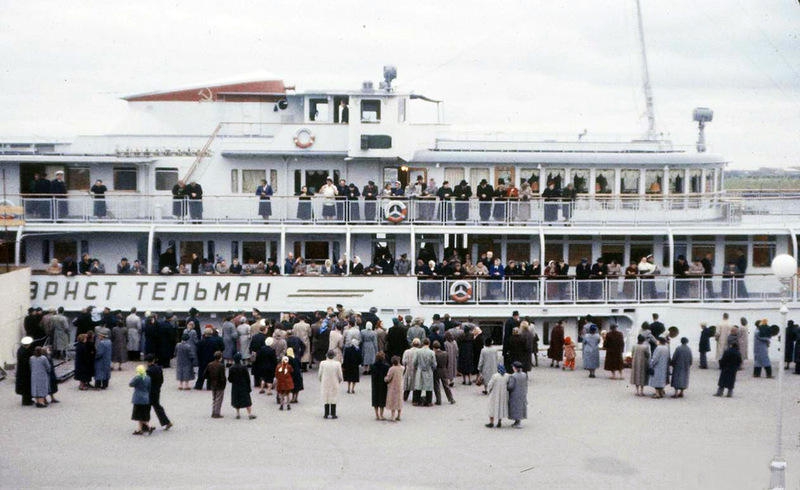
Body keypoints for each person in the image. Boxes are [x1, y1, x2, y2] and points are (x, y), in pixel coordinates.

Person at [145, 354, 172, 430]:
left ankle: (145, 424)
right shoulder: (159, 368)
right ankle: (166, 422)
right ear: (154, 360)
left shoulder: (148, 371)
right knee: (157, 406)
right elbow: (162, 380)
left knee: (146, 408)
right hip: (157, 390)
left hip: (149, 391)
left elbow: (147, 382)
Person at [228, 353, 256, 419]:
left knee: (236, 399)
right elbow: (247, 378)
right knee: (247, 400)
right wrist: (249, 387)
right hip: (244, 385)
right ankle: (249, 414)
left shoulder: (231, 368)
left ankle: (237, 414)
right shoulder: (244, 367)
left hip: (235, 386)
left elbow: (230, 379)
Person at [129, 365, 154, 435]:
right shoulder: (148, 378)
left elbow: (130, 384)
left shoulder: (138, 378)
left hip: (138, 399)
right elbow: (149, 387)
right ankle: (139, 429)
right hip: (146, 398)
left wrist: (135, 377)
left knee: (138, 415)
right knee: (142, 414)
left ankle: (149, 426)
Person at [318, 351, 343, 419]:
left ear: (327, 356)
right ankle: (333, 414)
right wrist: (339, 381)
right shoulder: (337, 364)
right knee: (334, 397)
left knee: (326, 397)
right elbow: (340, 375)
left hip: (325, 382)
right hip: (334, 382)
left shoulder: (322, 363)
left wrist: (321, 380)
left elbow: (320, 374)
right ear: (334, 356)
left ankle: (326, 414)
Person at [413, 338, 437, 406]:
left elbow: (414, 362)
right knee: (429, 387)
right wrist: (432, 369)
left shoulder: (418, 351)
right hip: (428, 370)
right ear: (429, 343)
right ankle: (429, 401)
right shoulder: (432, 352)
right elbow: (434, 364)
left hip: (420, 370)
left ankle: (416, 401)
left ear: (422, 343)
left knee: (418, 385)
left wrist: (416, 367)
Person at [432, 341, 455, 405]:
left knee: (436, 386)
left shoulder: (434, 354)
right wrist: (446, 368)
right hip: (444, 370)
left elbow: (434, 364)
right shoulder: (445, 353)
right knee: (446, 385)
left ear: (434, 348)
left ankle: (438, 400)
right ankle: (451, 399)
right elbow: (447, 362)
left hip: (436, 371)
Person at [205, 351, 226, 418]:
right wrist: (224, 384)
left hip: (212, 383)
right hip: (220, 384)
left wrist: (210, 378)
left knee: (214, 398)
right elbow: (223, 377)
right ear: (220, 357)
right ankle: (216, 413)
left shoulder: (210, 364)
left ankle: (213, 411)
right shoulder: (221, 365)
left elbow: (205, 374)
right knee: (219, 399)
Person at [507, 361, 528, 429]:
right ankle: (517, 421)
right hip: (522, 393)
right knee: (520, 407)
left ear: (515, 368)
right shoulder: (524, 374)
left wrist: (506, 386)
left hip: (514, 394)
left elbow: (510, 387)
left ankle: (517, 422)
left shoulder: (513, 376)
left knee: (515, 407)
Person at [385, 356, 404, 422]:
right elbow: (402, 366)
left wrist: (385, 379)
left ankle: (393, 416)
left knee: (393, 401)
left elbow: (388, 378)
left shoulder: (391, 369)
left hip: (393, 387)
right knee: (399, 400)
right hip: (400, 386)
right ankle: (399, 415)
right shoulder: (402, 368)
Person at [15, 336, 34, 406]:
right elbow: (26, 361)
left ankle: (28, 399)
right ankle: (26, 401)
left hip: (22, 371)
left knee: (26, 387)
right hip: (25, 372)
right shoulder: (24, 351)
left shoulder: (20, 349)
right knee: (26, 387)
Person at [371, 352, 390, 420]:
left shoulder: (373, 366)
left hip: (375, 383)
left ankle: (377, 414)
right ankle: (381, 415)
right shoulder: (386, 366)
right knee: (382, 399)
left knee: (375, 399)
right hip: (383, 384)